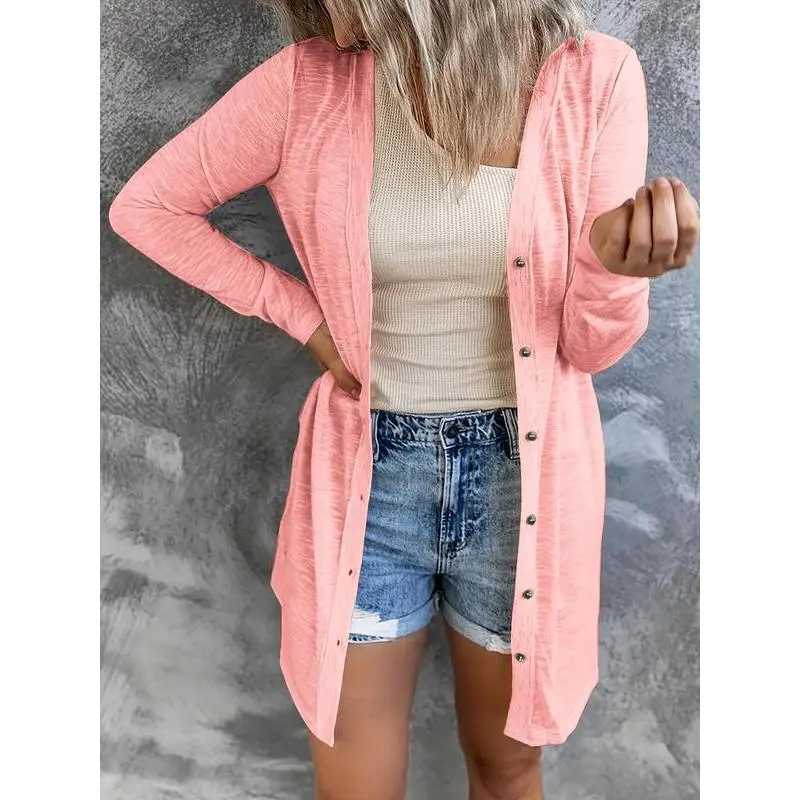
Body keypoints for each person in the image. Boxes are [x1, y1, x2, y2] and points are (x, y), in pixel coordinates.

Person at [108, 1, 699, 798]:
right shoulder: (309, 85)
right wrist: (305, 319)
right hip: (370, 480)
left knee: (507, 767)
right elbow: (147, 208)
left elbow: (591, 350)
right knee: (356, 784)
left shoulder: (594, 79)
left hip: (523, 486)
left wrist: (611, 270)